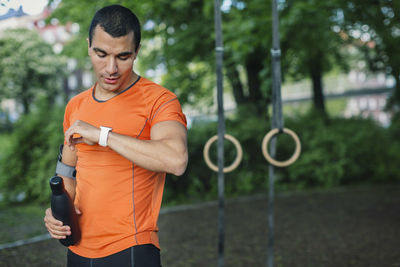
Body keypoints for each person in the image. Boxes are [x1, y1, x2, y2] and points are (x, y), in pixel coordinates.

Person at [44, 4, 188, 267]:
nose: (111, 68)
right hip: (78, 249)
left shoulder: (159, 100)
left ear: (137, 52)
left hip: (131, 247)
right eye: (101, 54)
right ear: (89, 46)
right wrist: (57, 210)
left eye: (123, 56)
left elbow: (176, 160)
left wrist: (102, 135)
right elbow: (67, 172)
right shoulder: (75, 106)